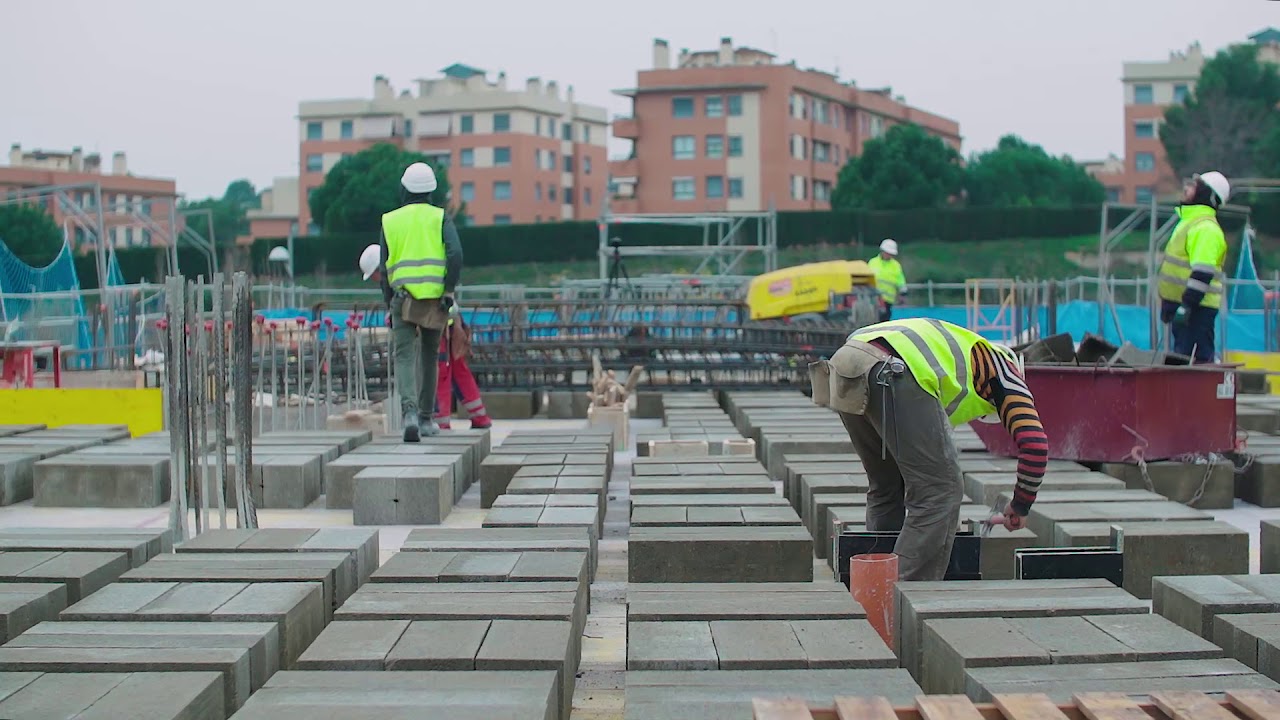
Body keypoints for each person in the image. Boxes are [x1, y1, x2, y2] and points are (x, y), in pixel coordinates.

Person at [812, 317, 1048, 581]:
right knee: (940, 493)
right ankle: (900, 596)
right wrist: (1021, 505)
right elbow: (1036, 446)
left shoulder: (956, 359)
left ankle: (874, 585)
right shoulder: (1007, 372)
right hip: (894, 368)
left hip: (847, 363)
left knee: (887, 486)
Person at [358, 161, 463, 442]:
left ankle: (409, 415)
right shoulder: (440, 218)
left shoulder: (390, 220)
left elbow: (384, 268)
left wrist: (388, 303)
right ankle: (427, 418)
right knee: (430, 356)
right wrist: (448, 290)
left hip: (402, 300)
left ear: (404, 189)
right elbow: (455, 254)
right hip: (434, 300)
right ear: (431, 190)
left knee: (404, 356)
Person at [1158, 171, 1230, 364]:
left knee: (1193, 364)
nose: (1187, 188)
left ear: (1205, 194)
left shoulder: (1205, 228)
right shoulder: (1190, 223)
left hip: (1196, 309)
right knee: (1183, 362)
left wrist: (1186, 306)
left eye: (1194, 185)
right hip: (1187, 307)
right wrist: (1170, 302)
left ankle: (1201, 395)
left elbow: (1202, 272)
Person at [433, 302, 492, 430]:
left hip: (436, 326)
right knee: (460, 374)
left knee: (440, 375)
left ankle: (440, 421)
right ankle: (479, 416)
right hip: (452, 324)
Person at [867, 239, 907, 322]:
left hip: (888, 301)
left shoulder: (895, 265)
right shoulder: (872, 262)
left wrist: (903, 294)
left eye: (891, 253)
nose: (889, 255)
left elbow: (901, 281)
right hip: (873, 299)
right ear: (882, 251)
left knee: (884, 323)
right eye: (887, 252)